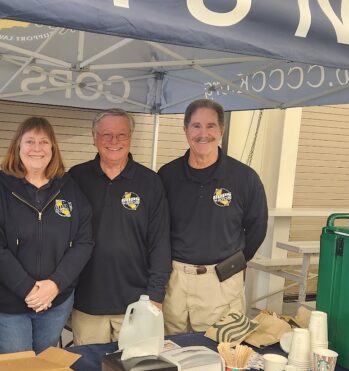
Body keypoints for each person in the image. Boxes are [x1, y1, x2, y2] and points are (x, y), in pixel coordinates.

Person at [0, 116, 94, 354]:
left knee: (44, 367)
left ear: (53, 148)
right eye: (29, 141)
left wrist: (55, 284)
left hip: (55, 302)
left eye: (44, 142)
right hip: (7, 304)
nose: (37, 148)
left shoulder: (69, 188)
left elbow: (84, 242)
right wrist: (28, 289)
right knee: (18, 370)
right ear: (17, 147)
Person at [157, 99, 268, 334]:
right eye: (196, 126)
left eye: (210, 126)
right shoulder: (167, 175)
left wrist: (232, 265)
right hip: (175, 282)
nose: (203, 134)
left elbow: (257, 228)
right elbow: (157, 229)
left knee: (221, 349)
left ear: (221, 131)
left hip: (221, 283)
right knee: (171, 348)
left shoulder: (244, 178)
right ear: (185, 129)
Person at [68, 109, 171, 345]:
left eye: (121, 135)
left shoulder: (150, 182)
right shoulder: (76, 178)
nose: (114, 141)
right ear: (94, 138)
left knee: (134, 366)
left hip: (137, 303)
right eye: (106, 135)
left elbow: (160, 242)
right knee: (89, 366)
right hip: (87, 302)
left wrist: (156, 294)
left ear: (130, 138)